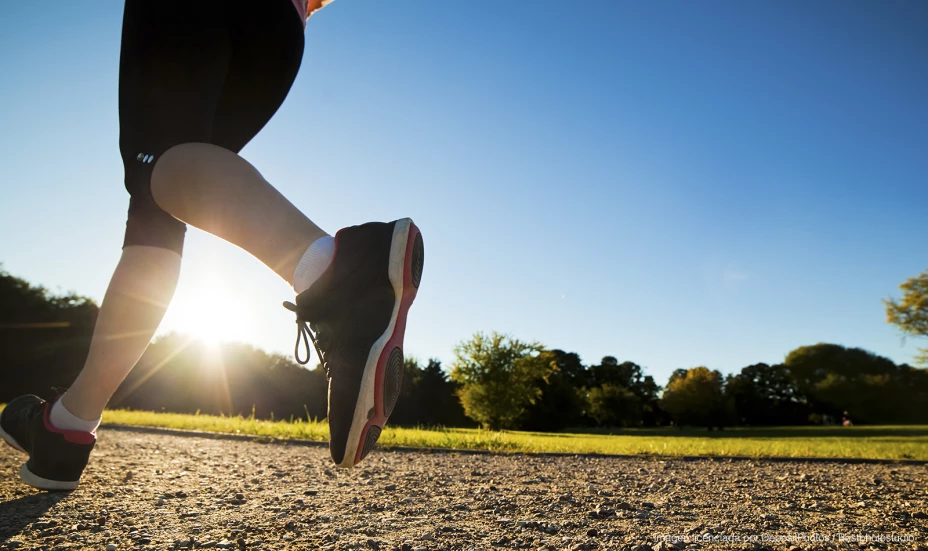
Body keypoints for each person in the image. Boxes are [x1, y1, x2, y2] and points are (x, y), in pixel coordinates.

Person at [0, 0, 424, 491]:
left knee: (156, 163)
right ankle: (68, 424)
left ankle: (337, 273)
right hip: (280, 34)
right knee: (160, 201)